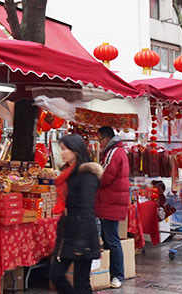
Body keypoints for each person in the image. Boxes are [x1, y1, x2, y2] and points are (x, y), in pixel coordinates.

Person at [51, 134, 102, 294]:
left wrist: (82, 239)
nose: (61, 153)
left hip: (82, 232)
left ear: (76, 150)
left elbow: (87, 209)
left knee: (81, 283)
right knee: (56, 275)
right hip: (68, 230)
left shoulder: (87, 175)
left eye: (65, 149)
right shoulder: (68, 172)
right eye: (61, 149)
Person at [93, 126, 128, 288]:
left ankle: (118, 275)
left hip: (110, 202)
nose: (99, 144)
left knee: (112, 239)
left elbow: (105, 175)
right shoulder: (116, 151)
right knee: (110, 239)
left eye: (99, 140)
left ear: (105, 138)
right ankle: (113, 273)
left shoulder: (113, 152)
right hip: (111, 201)